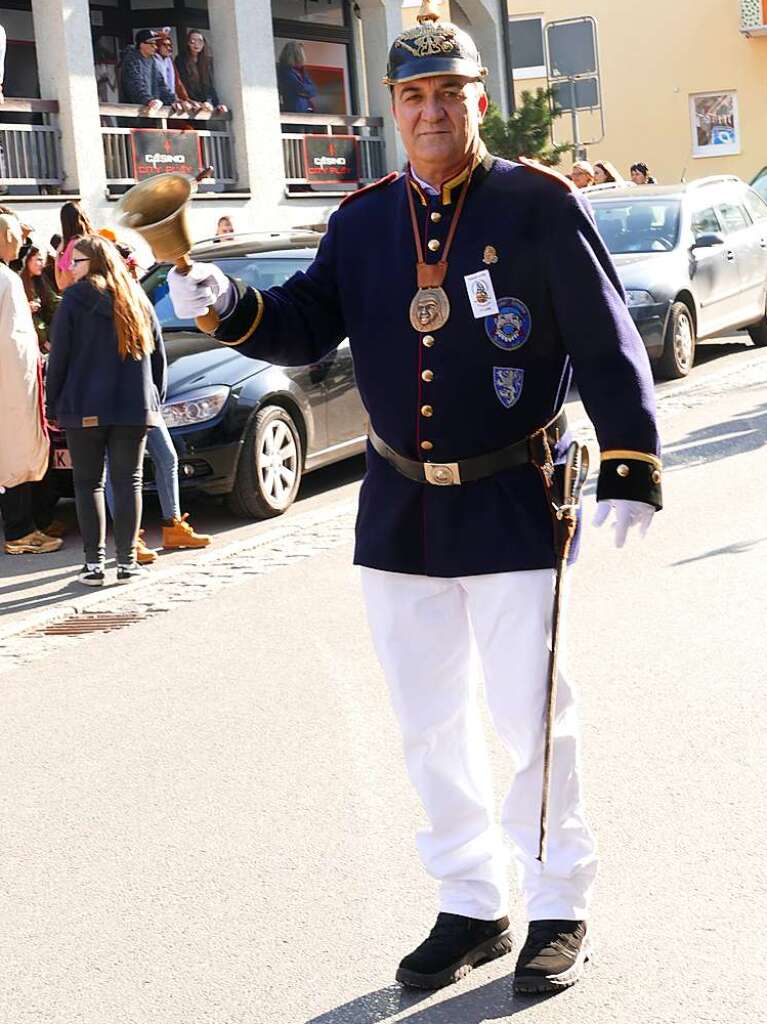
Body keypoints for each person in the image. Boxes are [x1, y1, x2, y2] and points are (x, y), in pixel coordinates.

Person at [167, 0, 662, 999]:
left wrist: (628, 453)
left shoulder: (535, 203)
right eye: (412, 97)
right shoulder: (360, 222)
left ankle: (557, 898)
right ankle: (471, 901)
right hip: (399, 509)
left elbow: (603, 337)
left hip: (513, 499)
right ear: (392, 107)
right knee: (428, 721)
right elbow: (305, 325)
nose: (431, 113)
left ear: (475, 99)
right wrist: (228, 307)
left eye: (447, 94)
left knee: (530, 715)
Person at [45, 234, 167, 585]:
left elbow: (61, 359)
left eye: (75, 261)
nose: (69, 268)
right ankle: (127, 562)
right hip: (133, 406)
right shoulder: (134, 296)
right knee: (128, 482)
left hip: (84, 406)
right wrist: (154, 398)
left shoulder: (75, 299)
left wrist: (53, 404)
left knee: (88, 484)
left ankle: (94, 565)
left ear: (93, 263)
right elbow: (158, 354)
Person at [0, 213, 62, 555]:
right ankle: (20, 532)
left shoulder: (7, 275)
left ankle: (29, 524)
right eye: (11, 234)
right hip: (10, 385)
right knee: (15, 455)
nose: (17, 240)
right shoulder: (4, 279)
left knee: (18, 453)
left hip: (17, 381)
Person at [120, 29, 183, 114]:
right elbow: (135, 86)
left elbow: (161, 85)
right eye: (152, 44)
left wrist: (173, 100)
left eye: (156, 44)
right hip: (134, 112)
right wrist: (149, 100)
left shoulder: (152, 61)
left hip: (152, 111)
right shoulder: (131, 60)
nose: (155, 47)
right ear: (142, 44)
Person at [19, 244, 60, 353]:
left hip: (46, 333)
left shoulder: (41, 281)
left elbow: (54, 301)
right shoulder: (18, 283)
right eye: (39, 259)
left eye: (43, 260)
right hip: (30, 338)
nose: (42, 264)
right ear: (28, 259)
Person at [174, 31, 227, 115]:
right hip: (188, 101)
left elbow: (209, 85)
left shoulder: (207, 60)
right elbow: (181, 84)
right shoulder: (181, 60)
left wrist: (213, 103)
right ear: (188, 43)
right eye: (193, 41)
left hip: (203, 101)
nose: (196, 44)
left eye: (200, 41)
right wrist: (192, 101)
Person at [154, 31, 199, 114]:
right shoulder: (152, 61)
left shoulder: (169, 61)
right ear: (157, 46)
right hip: (157, 103)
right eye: (165, 45)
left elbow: (177, 83)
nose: (169, 48)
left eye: (170, 45)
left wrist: (186, 99)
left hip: (172, 102)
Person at [56, 201, 96, 291]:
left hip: (81, 296)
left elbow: (62, 284)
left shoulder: (72, 247)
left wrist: (58, 255)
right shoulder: (94, 241)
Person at [276, 42, 317, 114]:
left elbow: (313, 89)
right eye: (301, 53)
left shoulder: (302, 70)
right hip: (295, 111)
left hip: (307, 109)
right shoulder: (285, 71)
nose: (303, 56)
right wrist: (306, 91)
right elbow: (300, 88)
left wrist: (306, 91)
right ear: (296, 54)